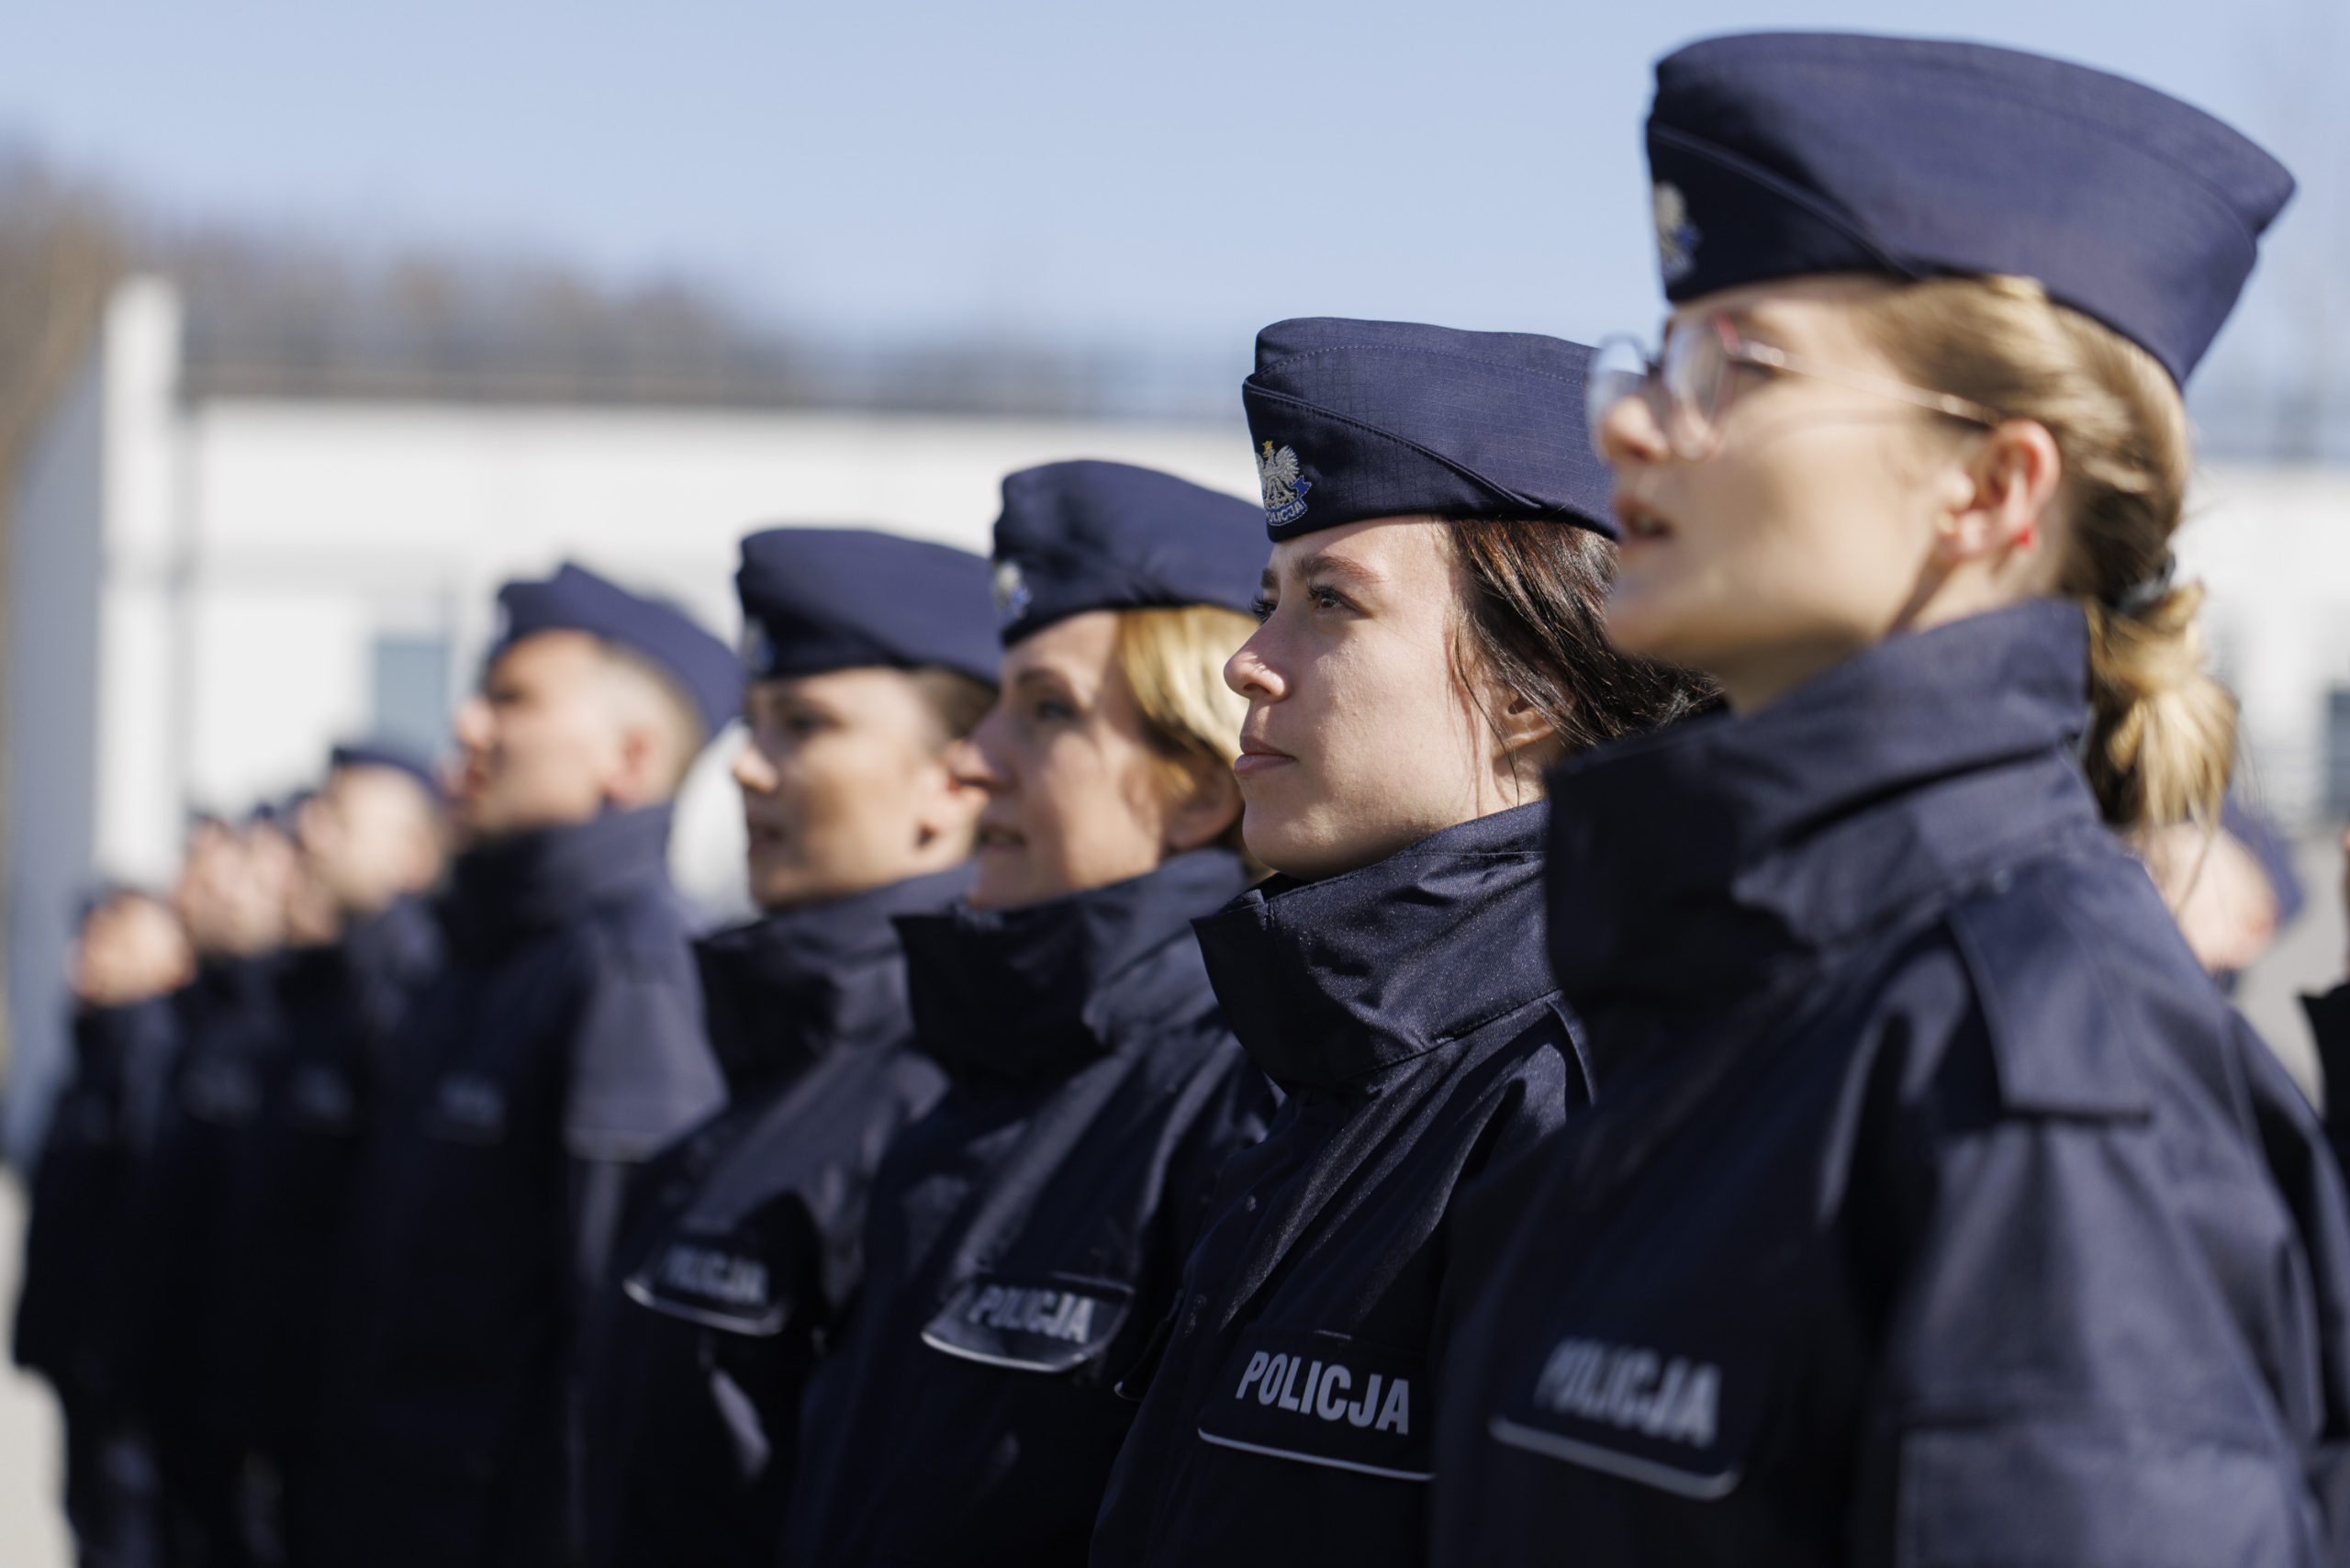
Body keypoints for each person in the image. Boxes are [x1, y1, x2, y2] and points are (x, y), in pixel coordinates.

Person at [1428, 32, 2350, 1565]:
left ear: (1991, 488)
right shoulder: (1749, 975)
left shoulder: (2035, 1064)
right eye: (1658, 357)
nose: (1632, 427)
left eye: (1739, 365)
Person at [1089, 319, 1709, 1567]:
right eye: (1273, 599)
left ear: (1531, 682)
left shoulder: (1579, 1094)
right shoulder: (1346, 1056)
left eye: (1330, 602)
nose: (1247, 664)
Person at [777, 461, 1280, 1565]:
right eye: (996, 705)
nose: (971, 761)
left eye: (1046, 711)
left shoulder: (1240, 1089)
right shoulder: (985, 1056)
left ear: (1196, 780)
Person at [576, 528, 996, 1568]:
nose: (747, 771)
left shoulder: (944, 1079)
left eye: (804, 726)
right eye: (753, 726)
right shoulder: (784, 1050)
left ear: (952, 778)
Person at [304, 563, 738, 1568]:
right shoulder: (492, 960)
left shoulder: (628, 973)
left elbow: (614, 1371)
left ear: (627, 757)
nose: (466, 728)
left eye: (513, 701)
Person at [196, 743, 451, 1564]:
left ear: (415, 854)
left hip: (357, 1443)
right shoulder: (323, 991)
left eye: (339, 817)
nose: (309, 833)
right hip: (283, 1418)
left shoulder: (415, 997)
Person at [14, 885, 192, 1568]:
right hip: (84, 1362)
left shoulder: (152, 1052)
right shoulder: (97, 1048)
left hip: (122, 1373)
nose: (89, 957)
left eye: (115, 937)